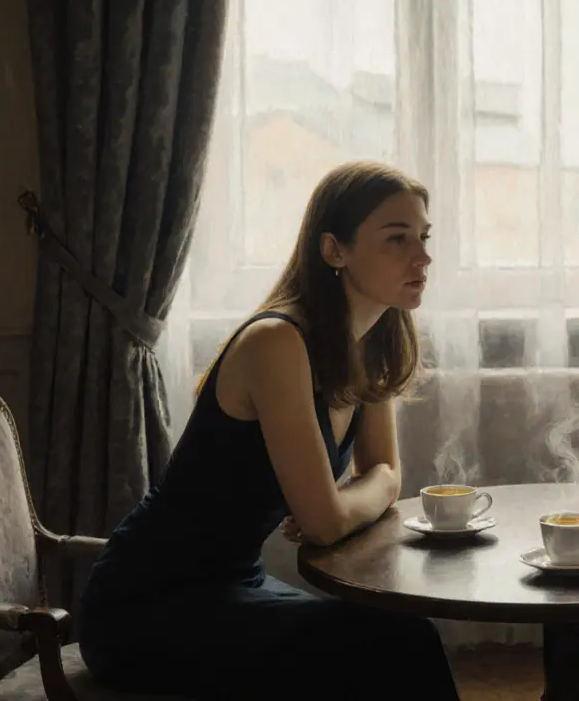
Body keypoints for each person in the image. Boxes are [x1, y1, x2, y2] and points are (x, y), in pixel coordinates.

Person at [77, 161, 461, 699]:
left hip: (234, 583)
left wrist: (348, 499)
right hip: (147, 603)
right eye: (397, 238)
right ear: (334, 251)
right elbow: (331, 518)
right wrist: (347, 501)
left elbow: (390, 475)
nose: (422, 256)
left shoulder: (372, 345)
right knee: (400, 644)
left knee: (390, 642)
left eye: (422, 236)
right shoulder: (276, 343)